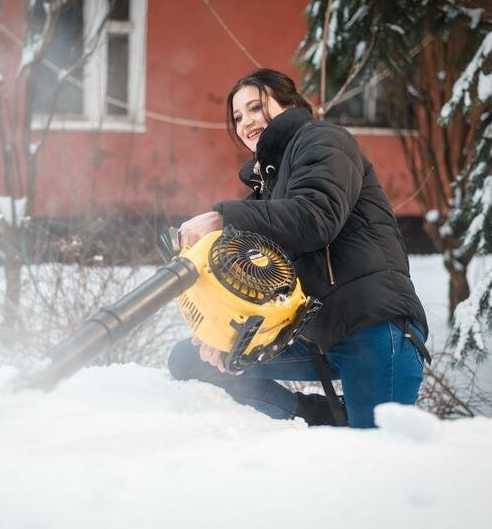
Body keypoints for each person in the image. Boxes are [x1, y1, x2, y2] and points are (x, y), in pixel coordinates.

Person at [167, 68, 429, 428]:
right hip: (317, 334)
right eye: (238, 116)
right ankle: (314, 416)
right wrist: (221, 332)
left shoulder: (323, 139)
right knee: (191, 360)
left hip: (373, 327)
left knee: (376, 460)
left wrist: (222, 218)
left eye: (256, 107)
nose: (246, 122)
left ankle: (346, 422)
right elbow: (263, 281)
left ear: (290, 103)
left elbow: (315, 217)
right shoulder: (267, 187)